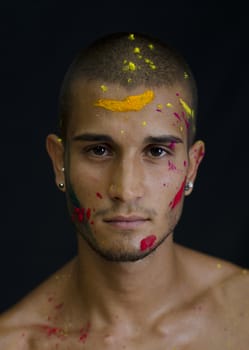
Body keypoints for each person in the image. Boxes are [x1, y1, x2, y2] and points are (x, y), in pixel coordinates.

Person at [0, 31, 248, 349]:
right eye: (99, 150)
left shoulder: (243, 315)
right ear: (59, 161)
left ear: (192, 165)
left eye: (157, 152)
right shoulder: (16, 342)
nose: (126, 189)